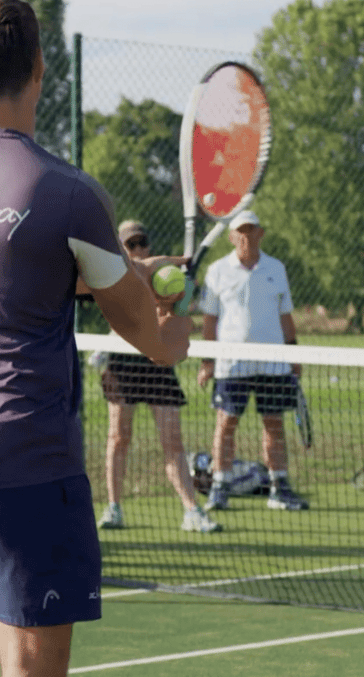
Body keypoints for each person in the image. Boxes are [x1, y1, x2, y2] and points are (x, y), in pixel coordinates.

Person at [0, 0, 191, 677]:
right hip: (23, 465)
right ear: (40, 67)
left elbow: (5, 270)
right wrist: (172, 316)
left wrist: (123, 271)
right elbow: (151, 338)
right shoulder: (68, 192)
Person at [96, 220, 220, 534]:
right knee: (118, 437)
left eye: (141, 242)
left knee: (172, 440)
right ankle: (114, 508)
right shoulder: (117, 273)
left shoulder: (166, 276)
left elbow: (179, 325)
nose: (137, 248)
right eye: (130, 244)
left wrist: (179, 296)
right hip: (123, 361)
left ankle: (192, 510)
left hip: (157, 362)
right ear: (122, 249)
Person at [197, 210, 307, 511]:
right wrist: (208, 361)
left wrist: (294, 354)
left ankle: (279, 487)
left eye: (250, 231)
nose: (245, 237)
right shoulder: (217, 271)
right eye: (239, 232)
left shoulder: (276, 268)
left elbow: (286, 316)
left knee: (274, 424)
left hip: (274, 362)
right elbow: (209, 320)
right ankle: (220, 487)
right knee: (226, 423)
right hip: (231, 363)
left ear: (261, 234)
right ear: (231, 237)